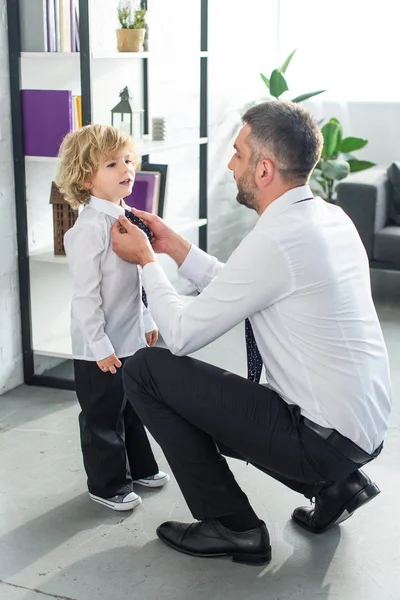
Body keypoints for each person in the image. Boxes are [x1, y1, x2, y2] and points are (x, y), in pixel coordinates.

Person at [110, 101, 391, 564]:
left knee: (145, 372)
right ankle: (341, 486)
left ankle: (233, 526)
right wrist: (176, 249)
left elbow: (179, 334)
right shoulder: (326, 217)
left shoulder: (276, 240)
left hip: (319, 440)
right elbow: (250, 286)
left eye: (238, 154)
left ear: (263, 169)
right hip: (360, 433)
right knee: (210, 398)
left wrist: (145, 262)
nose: (230, 163)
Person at [56, 124, 169, 512]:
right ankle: (107, 484)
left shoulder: (127, 218)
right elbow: (86, 298)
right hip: (99, 348)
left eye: (127, 160)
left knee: (132, 408)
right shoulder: (89, 230)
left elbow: (138, 276)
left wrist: (148, 321)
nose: (126, 168)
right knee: (102, 417)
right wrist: (100, 347)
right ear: (86, 177)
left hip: (131, 336)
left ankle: (139, 468)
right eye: (111, 163)